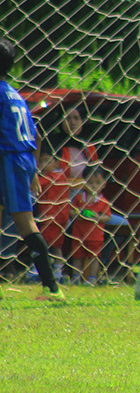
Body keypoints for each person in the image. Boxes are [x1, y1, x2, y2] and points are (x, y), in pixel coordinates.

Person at [0, 38, 65, 300]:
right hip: (21, 158)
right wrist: (34, 170)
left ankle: (52, 288)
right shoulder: (14, 93)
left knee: (26, 224)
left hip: (10, 159)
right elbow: (36, 136)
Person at [34, 146, 77, 283]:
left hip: (53, 217)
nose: (44, 164)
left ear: (57, 163)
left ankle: (39, 270)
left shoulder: (54, 177)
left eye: (48, 161)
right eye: (41, 162)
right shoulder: (61, 176)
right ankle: (57, 271)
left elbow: (37, 185)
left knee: (44, 243)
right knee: (55, 245)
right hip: (56, 216)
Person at [69, 165, 112, 284]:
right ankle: (76, 277)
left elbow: (107, 217)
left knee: (94, 257)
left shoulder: (103, 202)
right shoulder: (79, 198)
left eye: (97, 183)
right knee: (77, 256)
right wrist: (78, 214)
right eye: (90, 182)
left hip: (95, 235)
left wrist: (97, 217)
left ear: (104, 184)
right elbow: (71, 210)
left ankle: (92, 278)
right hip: (79, 233)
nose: (93, 185)